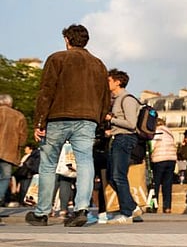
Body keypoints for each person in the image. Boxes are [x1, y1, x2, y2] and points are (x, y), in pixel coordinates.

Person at [29, 24, 109, 228]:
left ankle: (42, 212)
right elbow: (105, 97)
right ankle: (81, 209)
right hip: (87, 119)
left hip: (57, 116)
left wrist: (39, 121)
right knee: (85, 162)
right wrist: (98, 121)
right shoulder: (98, 64)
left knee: (48, 164)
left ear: (67, 39)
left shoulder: (57, 58)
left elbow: (46, 91)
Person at [102, 68, 142, 224]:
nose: (107, 84)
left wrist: (111, 119)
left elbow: (131, 124)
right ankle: (132, 208)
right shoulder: (117, 99)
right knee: (113, 176)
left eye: (109, 81)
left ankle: (127, 212)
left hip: (125, 139)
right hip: (118, 137)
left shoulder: (127, 99)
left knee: (118, 176)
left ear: (118, 82)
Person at [0, 94, 28, 206]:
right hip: (8, 152)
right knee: (5, 177)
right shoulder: (19, 116)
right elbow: (23, 137)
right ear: (10, 103)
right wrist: (18, 146)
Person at [150, 117, 177, 213]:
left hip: (159, 159)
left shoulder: (157, 132)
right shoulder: (169, 132)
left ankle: (154, 206)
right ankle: (167, 207)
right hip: (171, 159)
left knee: (155, 184)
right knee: (167, 184)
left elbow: (152, 146)